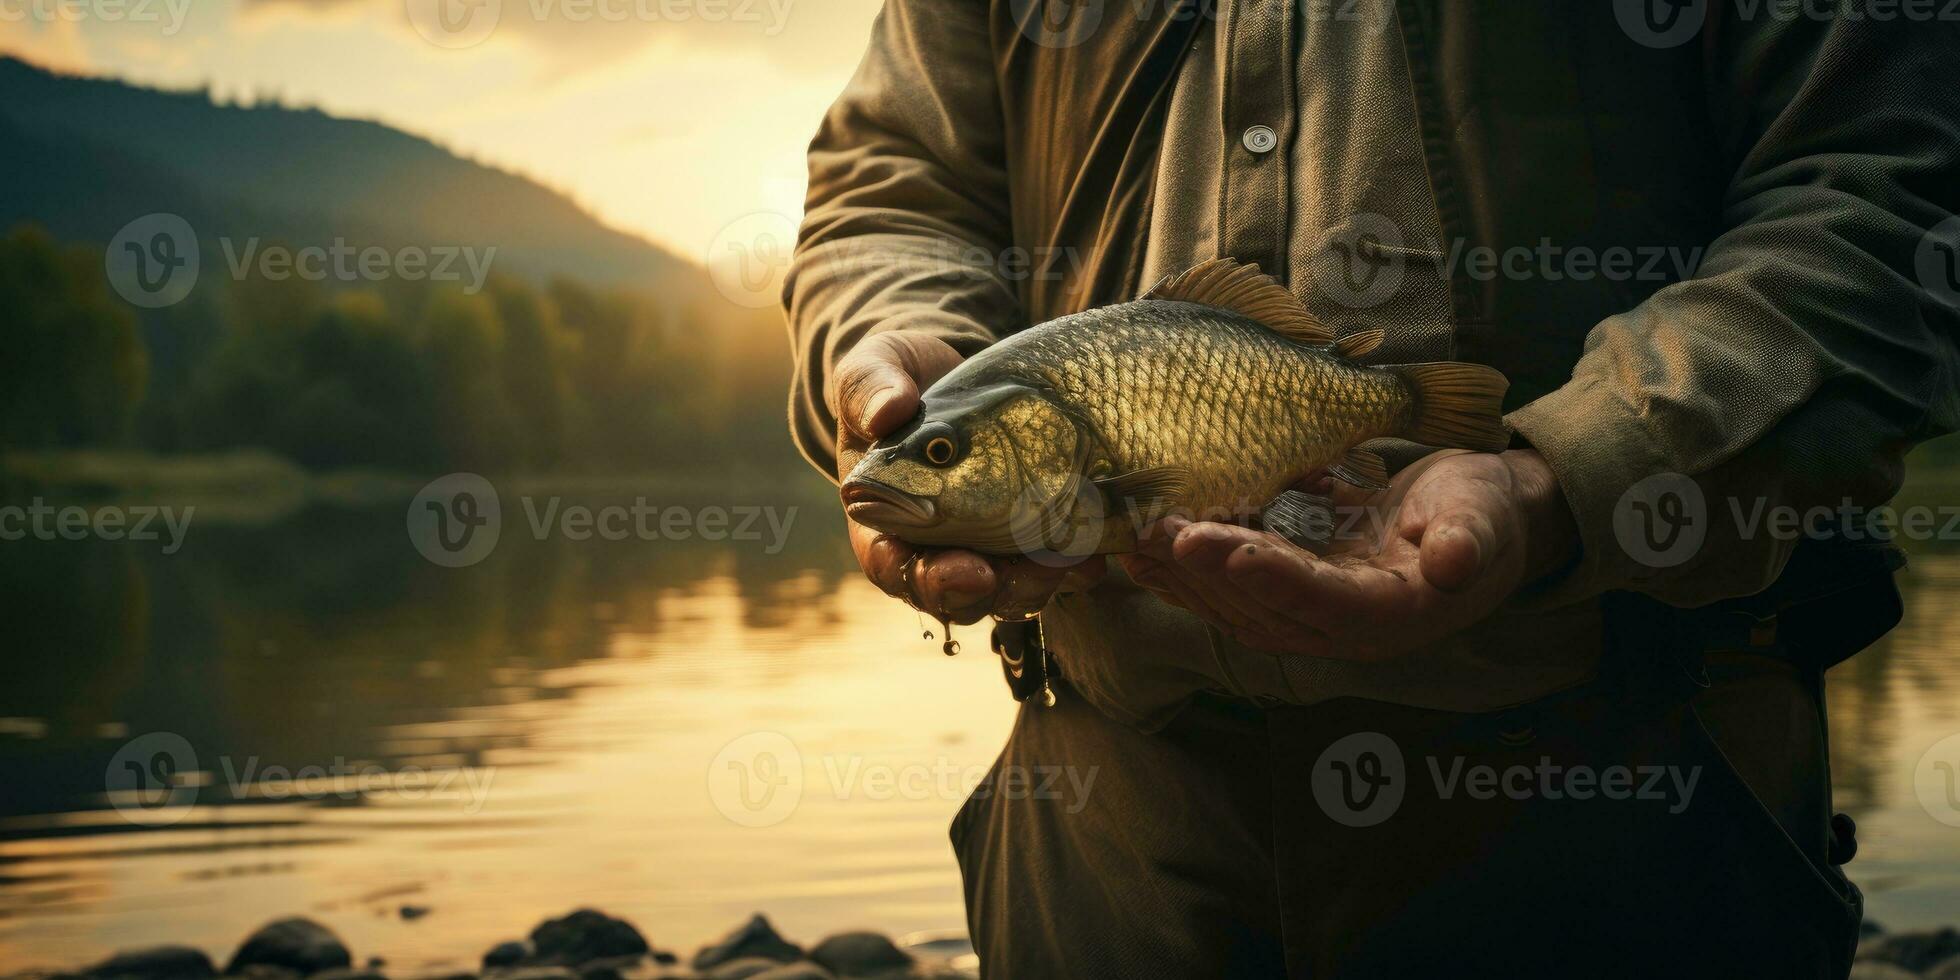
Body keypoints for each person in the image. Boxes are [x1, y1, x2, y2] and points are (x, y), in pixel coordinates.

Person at [784, 2, 1960, 977]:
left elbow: (1887, 186)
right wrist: (891, 342)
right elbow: (895, 181)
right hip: (1100, 831)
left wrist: (1567, 475)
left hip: (1632, 803)